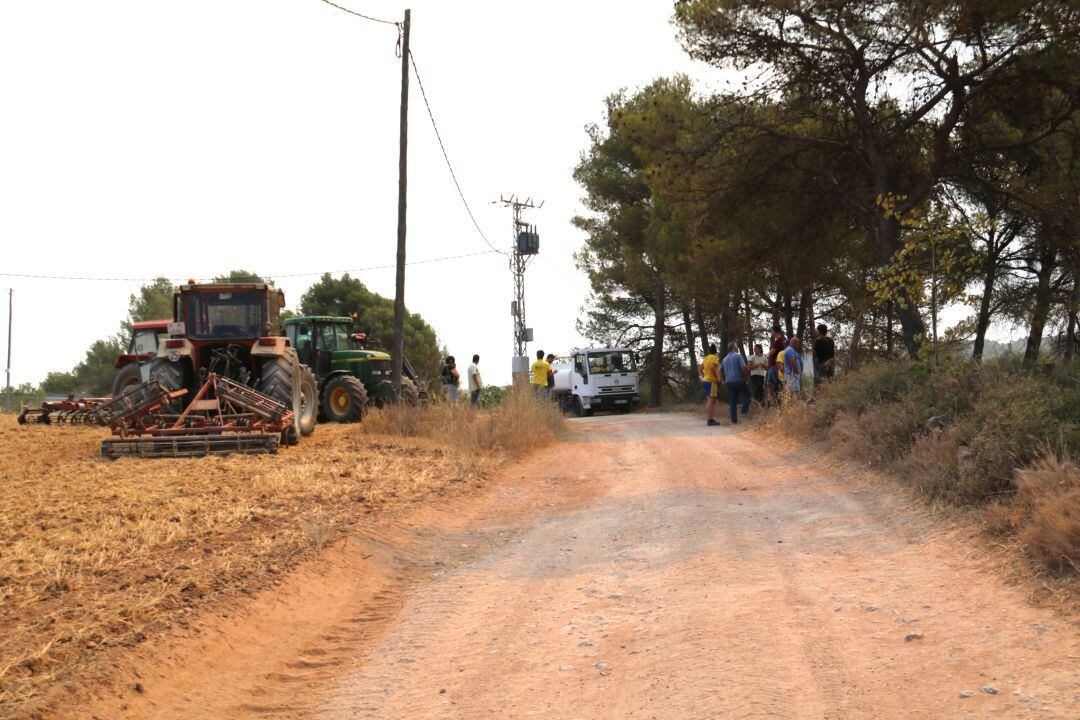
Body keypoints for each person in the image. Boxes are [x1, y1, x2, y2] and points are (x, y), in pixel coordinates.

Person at [720, 342, 751, 424]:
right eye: (737, 346)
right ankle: (743, 411)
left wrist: (723, 379)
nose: (738, 348)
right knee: (748, 395)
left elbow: (720, 370)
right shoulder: (738, 356)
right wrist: (746, 376)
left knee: (732, 401)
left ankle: (734, 420)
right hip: (739, 380)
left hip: (729, 382)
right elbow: (743, 367)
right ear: (734, 347)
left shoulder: (724, 359)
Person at [698, 343, 721, 426]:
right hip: (712, 381)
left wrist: (704, 376)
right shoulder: (714, 357)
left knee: (710, 401)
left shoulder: (706, 358)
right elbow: (712, 367)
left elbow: (700, 368)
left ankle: (710, 419)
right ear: (716, 352)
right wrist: (716, 378)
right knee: (711, 401)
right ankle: (710, 420)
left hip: (706, 380)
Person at [765, 324, 787, 405]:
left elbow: (771, 352)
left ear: (774, 331)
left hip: (775, 365)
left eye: (771, 331)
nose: (771, 333)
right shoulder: (779, 340)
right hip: (772, 365)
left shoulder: (779, 340)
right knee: (769, 384)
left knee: (776, 384)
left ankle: (778, 402)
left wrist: (768, 354)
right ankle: (770, 401)